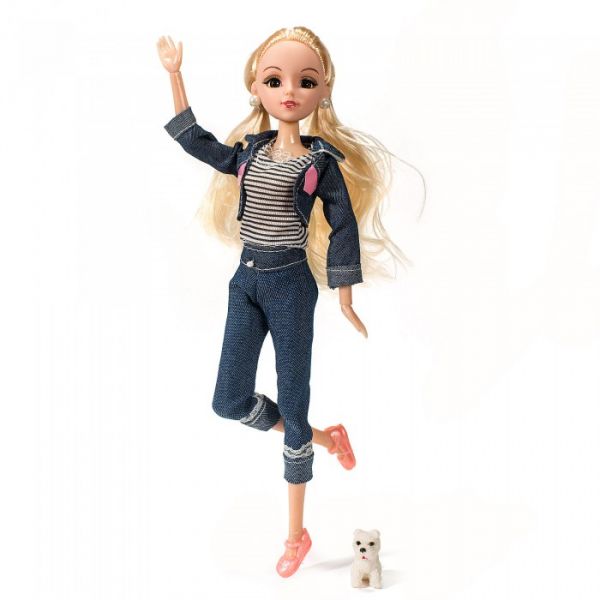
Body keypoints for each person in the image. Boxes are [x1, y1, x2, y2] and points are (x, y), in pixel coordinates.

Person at [157, 26, 410, 578]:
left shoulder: (320, 163)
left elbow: (343, 225)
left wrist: (345, 295)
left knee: (293, 406)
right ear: (255, 86)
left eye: (305, 81)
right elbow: (195, 140)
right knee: (228, 400)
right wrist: (175, 75)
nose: (289, 91)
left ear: (324, 90)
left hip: (292, 286)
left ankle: (296, 534)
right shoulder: (247, 154)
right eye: (274, 80)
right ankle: (326, 438)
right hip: (245, 282)